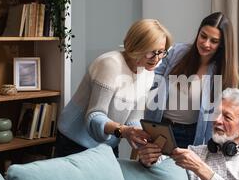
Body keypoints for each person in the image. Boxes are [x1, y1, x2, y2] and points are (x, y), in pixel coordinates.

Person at [56, 19, 173, 157]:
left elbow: (134, 117)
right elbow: (94, 116)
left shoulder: (148, 72)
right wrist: (124, 131)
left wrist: (141, 135)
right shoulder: (110, 64)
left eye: (161, 52)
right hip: (75, 141)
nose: (157, 58)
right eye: (151, 52)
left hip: (108, 144)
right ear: (136, 47)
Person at [144, 12, 239, 150]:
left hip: (189, 135)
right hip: (159, 127)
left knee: (183, 172)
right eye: (203, 36)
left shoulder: (222, 72)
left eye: (214, 41)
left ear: (222, 44)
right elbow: (152, 78)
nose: (206, 44)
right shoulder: (177, 52)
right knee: (151, 169)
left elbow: (226, 114)